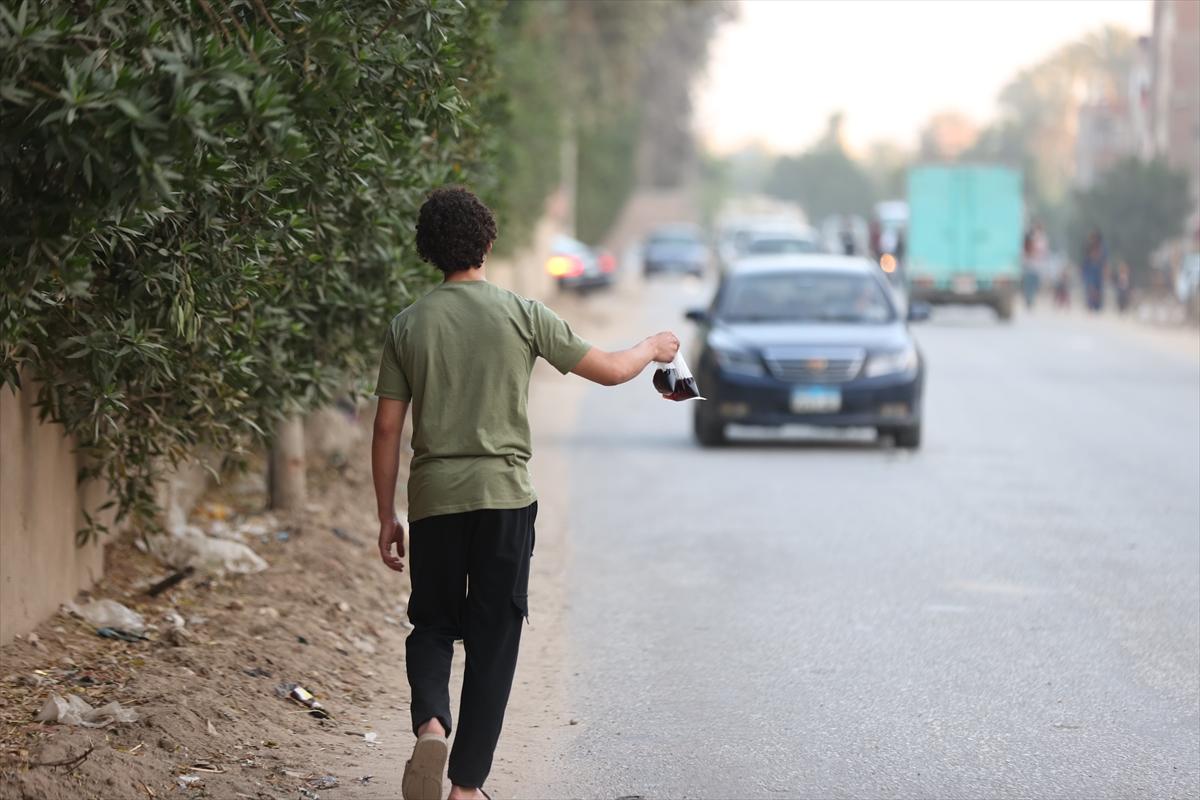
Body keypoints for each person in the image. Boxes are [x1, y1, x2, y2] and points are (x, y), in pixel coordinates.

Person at [371, 187, 680, 800]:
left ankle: (432, 722)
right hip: (505, 499)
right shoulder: (522, 313)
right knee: (494, 637)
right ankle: (465, 788)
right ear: (487, 243)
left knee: (432, 623)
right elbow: (613, 369)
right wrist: (652, 348)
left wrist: (388, 514)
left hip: (435, 500)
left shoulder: (408, 324)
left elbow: (386, 428)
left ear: (429, 251)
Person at [1081, 229, 1107, 312]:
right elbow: (1085, 260)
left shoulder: (1102, 248)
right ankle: (1090, 305)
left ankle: (1097, 306)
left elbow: (1104, 261)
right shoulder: (1088, 246)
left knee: (1098, 289)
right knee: (1090, 287)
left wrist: (1105, 271)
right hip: (1090, 270)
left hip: (1098, 271)